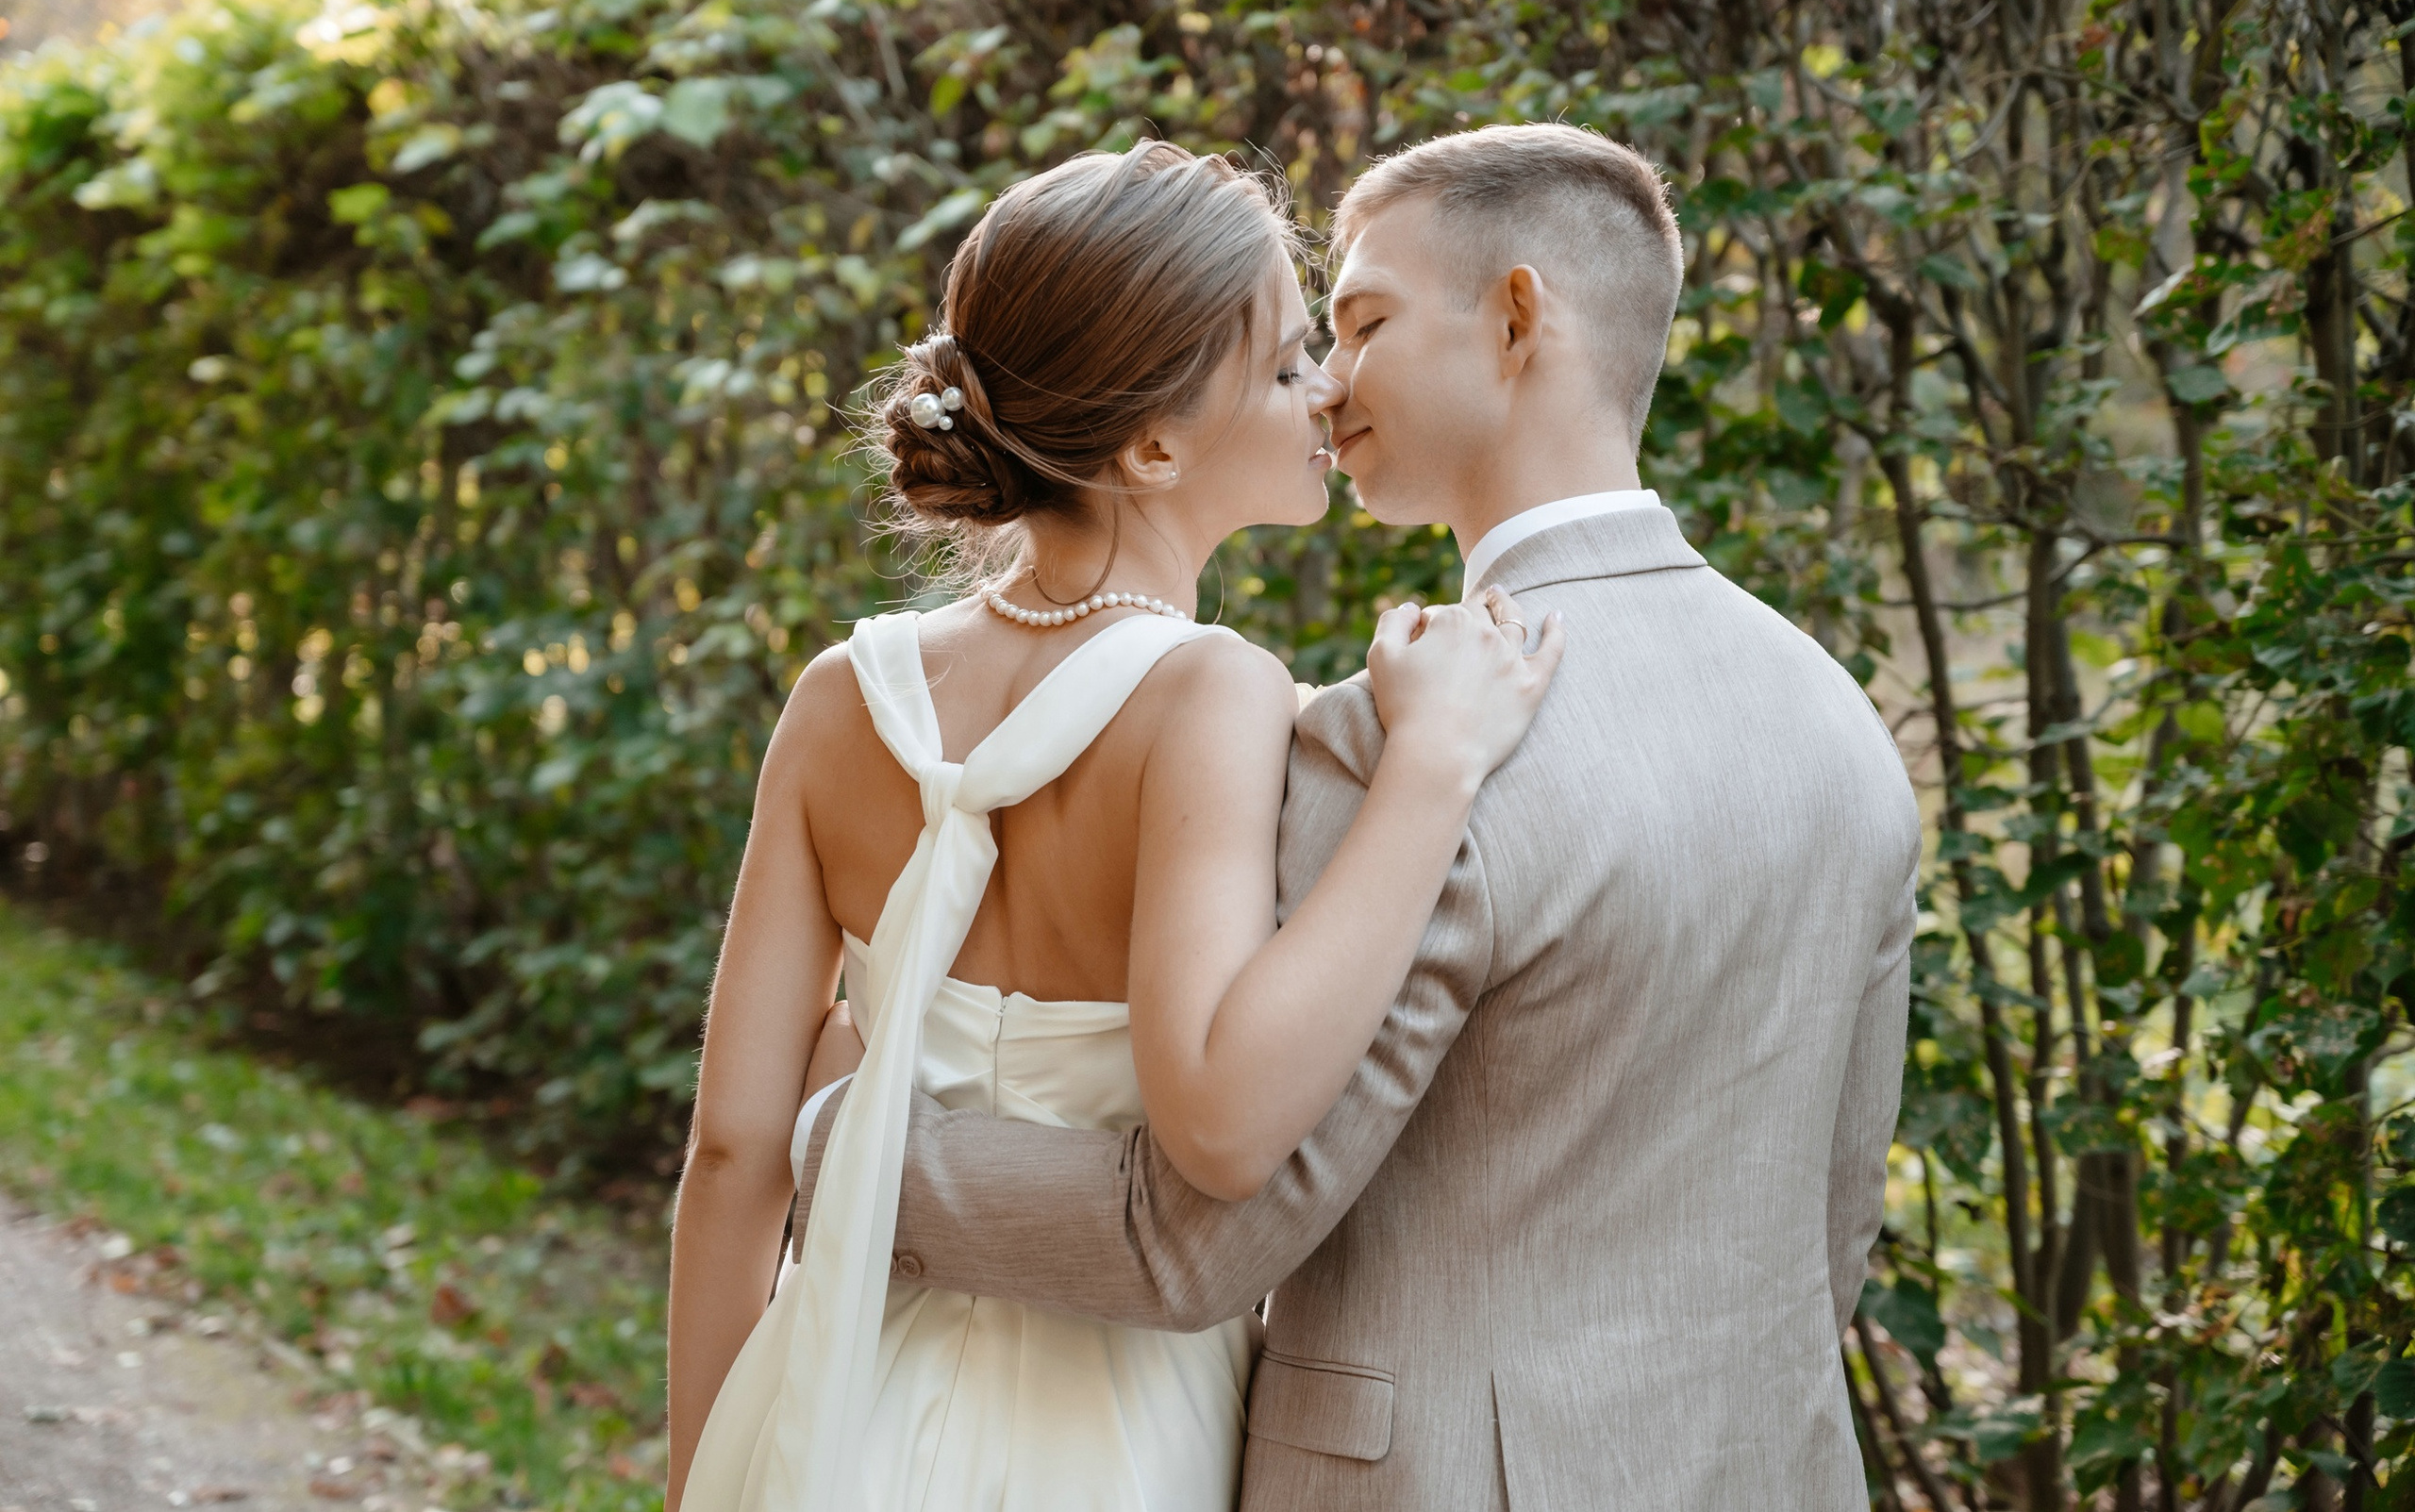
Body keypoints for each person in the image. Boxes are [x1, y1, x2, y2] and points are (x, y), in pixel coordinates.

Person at [790, 122, 1923, 1508]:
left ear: (1517, 321)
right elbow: (1833, 1223)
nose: (1327, 385)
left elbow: (1187, 1243)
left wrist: (843, 1144)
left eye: (1365, 321)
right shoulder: (1839, 723)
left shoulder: (1399, 743)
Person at [663, 140, 1565, 1512]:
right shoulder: (1210, 690)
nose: (1325, 385)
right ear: (1150, 446)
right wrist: (1432, 770)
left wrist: (706, 1473)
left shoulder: (842, 695)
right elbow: (1222, 1116)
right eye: (1278, 366)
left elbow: (733, 1151)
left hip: (826, 1400)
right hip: (1109, 1439)